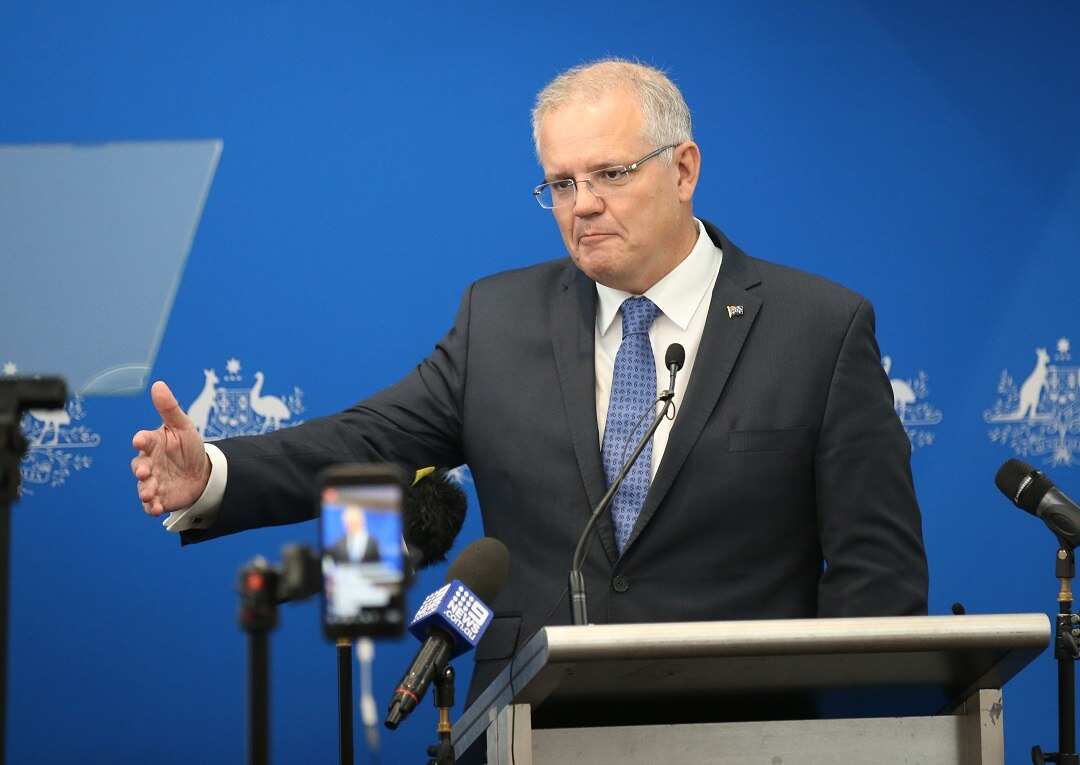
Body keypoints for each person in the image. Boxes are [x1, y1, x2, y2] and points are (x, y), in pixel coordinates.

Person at [131, 59, 928, 706]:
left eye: (609, 174)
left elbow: (878, 576)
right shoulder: (498, 318)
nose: (583, 206)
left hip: (748, 727)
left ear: (684, 168)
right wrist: (214, 474)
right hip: (533, 722)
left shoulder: (818, 328)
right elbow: (364, 438)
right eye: (561, 183)